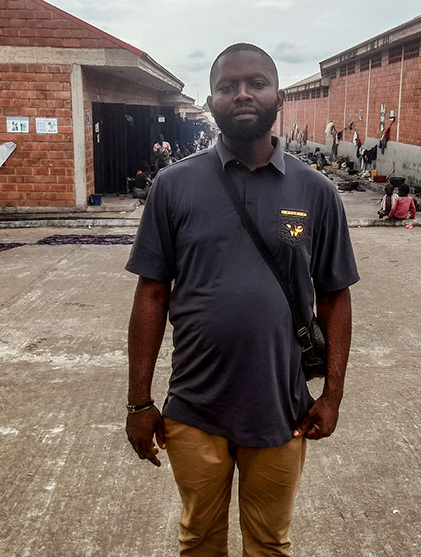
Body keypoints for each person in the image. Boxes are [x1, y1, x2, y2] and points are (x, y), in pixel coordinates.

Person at [124, 43, 359, 556]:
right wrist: (139, 401)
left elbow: (335, 296)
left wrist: (333, 394)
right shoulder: (173, 186)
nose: (243, 94)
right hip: (193, 408)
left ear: (278, 97)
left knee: (269, 544)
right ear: (211, 100)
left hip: (281, 408)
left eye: (256, 83)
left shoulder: (316, 190)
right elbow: (151, 294)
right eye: (228, 87)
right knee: (199, 540)